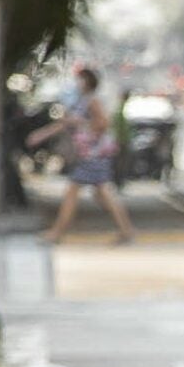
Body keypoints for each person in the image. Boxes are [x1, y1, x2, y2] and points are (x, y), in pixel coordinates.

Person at [41, 68, 137, 245]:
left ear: (88, 82)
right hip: (89, 154)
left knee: (75, 191)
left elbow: (103, 124)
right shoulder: (82, 101)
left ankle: (57, 233)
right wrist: (41, 135)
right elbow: (65, 123)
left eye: (80, 80)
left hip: (93, 155)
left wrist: (82, 124)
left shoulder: (92, 101)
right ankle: (126, 231)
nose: (77, 83)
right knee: (102, 194)